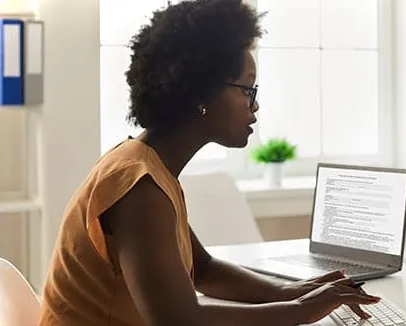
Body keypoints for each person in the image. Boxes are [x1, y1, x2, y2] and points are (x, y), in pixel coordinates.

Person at [37, 0, 381, 325]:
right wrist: (299, 311)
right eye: (247, 89)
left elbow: (203, 269)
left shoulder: (150, 168)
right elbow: (179, 320)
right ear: (201, 94)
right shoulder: (138, 186)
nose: (255, 105)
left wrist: (293, 291)